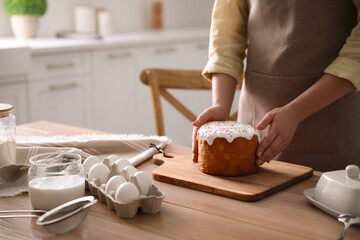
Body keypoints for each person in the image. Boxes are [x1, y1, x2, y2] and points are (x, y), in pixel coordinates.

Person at [192, 0, 360, 171]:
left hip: (331, 127)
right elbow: (225, 42)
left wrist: (296, 112)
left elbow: (356, 55)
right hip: (254, 124)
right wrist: (221, 105)